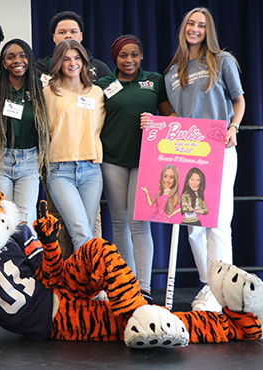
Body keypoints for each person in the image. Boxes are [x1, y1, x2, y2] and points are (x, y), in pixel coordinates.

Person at [161, 7, 246, 312]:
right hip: (188, 153)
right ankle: (210, 287)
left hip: (220, 150)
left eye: (201, 25)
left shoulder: (222, 61)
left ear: (207, 30)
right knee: (194, 224)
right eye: (190, 24)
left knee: (219, 223)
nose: (195, 29)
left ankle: (225, 292)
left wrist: (234, 127)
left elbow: (239, 100)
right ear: (183, 28)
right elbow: (173, 113)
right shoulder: (172, 72)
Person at [95, 34, 172, 302]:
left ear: (142, 56)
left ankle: (145, 287)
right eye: (123, 55)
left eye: (134, 55)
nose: (129, 60)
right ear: (115, 58)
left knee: (140, 223)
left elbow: (171, 118)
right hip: (112, 159)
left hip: (146, 161)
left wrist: (156, 121)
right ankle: (125, 284)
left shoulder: (155, 81)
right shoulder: (103, 85)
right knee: (119, 222)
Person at [42, 40, 105, 252]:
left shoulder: (96, 92)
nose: (72, 63)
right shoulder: (48, 93)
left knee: (88, 229)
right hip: (61, 170)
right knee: (80, 231)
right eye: (66, 59)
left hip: (91, 169)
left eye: (77, 58)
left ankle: (84, 282)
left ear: (84, 61)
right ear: (58, 62)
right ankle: (85, 284)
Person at [0, 38, 50, 227]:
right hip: (0, 159)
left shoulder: (39, 87)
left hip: (29, 160)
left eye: (22, 56)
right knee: (1, 217)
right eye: (10, 57)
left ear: (29, 59)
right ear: (3, 63)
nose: (17, 61)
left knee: (24, 220)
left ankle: (25, 257)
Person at [34, 11, 112, 86]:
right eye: (62, 32)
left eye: (73, 32)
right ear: (54, 37)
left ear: (81, 36)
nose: (68, 36)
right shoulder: (40, 68)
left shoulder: (99, 67)